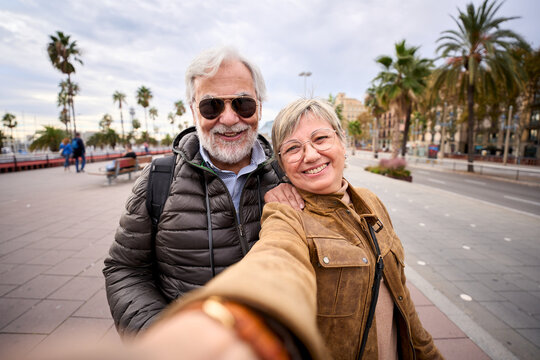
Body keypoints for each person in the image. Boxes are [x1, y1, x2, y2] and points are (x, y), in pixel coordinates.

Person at [136, 98, 443, 360]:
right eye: (293, 148)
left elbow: (403, 301)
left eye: (321, 139)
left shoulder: (372, 202)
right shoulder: (287, 214)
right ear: (281, 164)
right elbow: (276, 259)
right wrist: (232, 319)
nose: (310, 155)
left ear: (342, 143)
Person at [102, 46, 302, 337]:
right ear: (193, 110)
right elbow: (125, 269)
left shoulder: (287, 174)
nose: (230, 118)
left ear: (259, 105)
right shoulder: (159, 179)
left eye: (243, 104)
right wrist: (164, 341)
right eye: (212, 106)